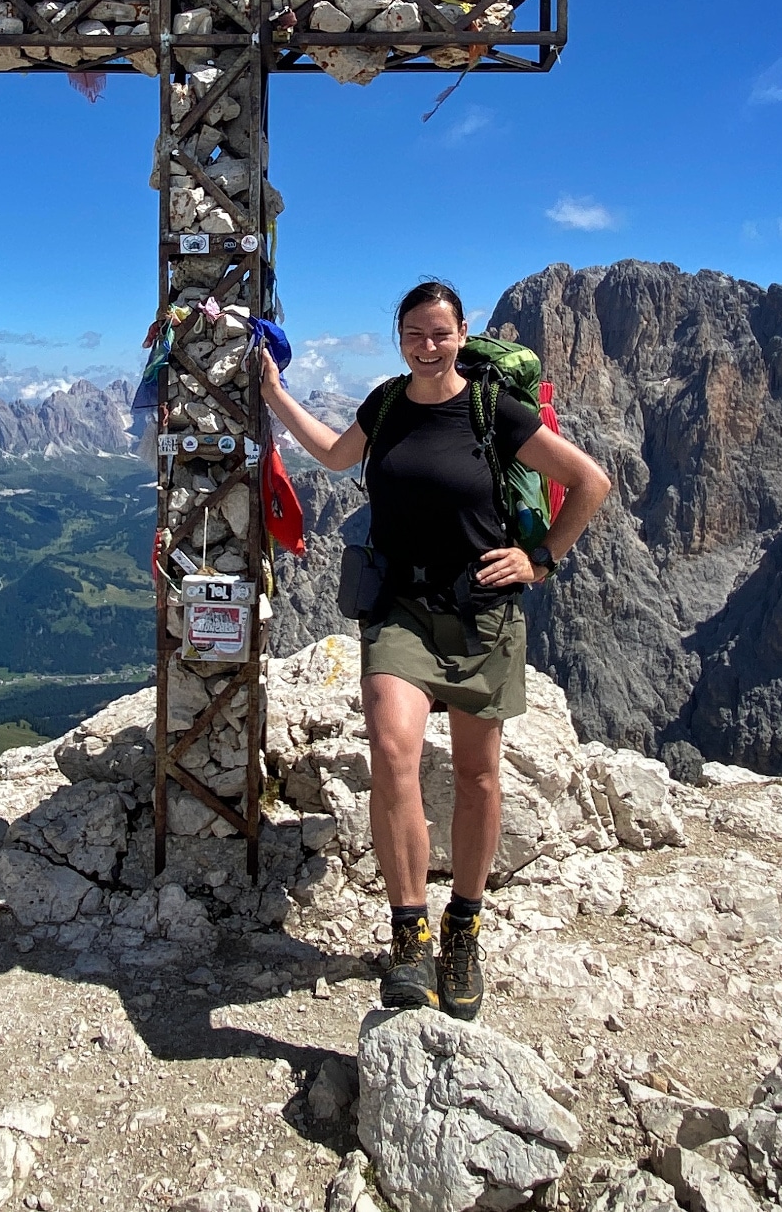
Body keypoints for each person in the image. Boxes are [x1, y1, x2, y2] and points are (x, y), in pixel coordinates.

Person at [258, 280, 611, 1019]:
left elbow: (588, 481)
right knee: (393, 753)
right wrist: (275, 393)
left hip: (482, 612)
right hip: (399, 610)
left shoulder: (492, 410)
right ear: (399, 337)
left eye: (440, 334)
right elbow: (330, 454)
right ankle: (409, 932)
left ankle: (464, 928)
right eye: (415, 334)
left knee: (480, 776)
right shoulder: (384, 406)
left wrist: (541, 559)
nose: (427, 346)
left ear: (461, 335)